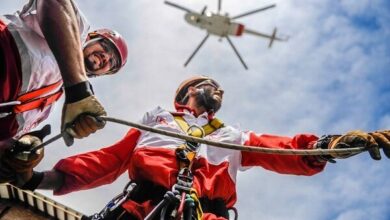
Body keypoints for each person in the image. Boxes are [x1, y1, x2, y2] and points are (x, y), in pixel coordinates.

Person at [4, 76, 390, 220]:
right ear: (187, 92)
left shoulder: (233, 137)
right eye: (209, 84)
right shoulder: (155, 122)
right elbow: (105, 163)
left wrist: (331, 147)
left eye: (220, 89)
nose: (218, 90)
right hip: (142, 209)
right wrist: (37, 178)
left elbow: (284, 149)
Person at [0, 0, 128, 153]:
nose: (105, 57)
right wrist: (79, 89)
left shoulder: (49, 105)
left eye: (112, 62)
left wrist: (15, 152)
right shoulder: (75, 29)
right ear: (90, 37)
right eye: (105, 46)